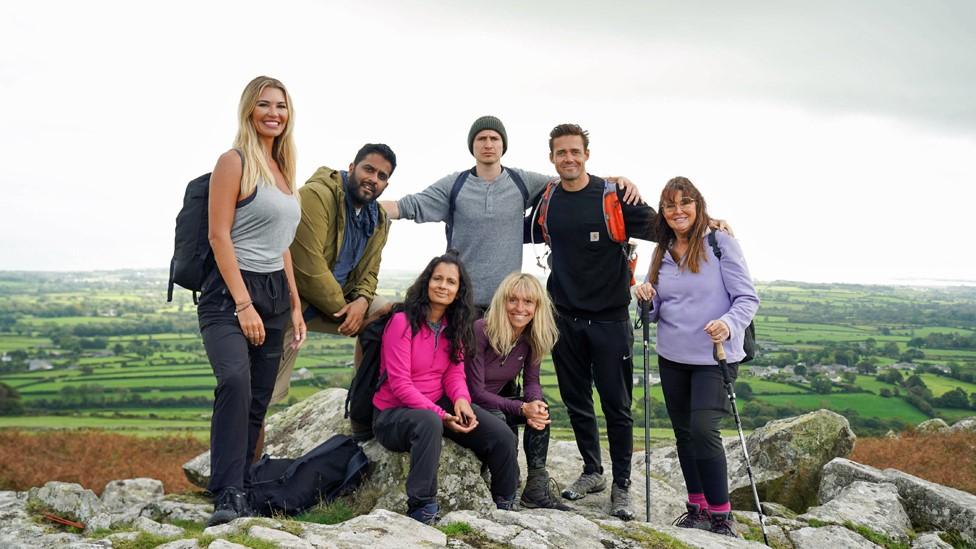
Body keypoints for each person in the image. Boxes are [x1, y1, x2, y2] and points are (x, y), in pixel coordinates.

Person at [525, 123, 657, 521]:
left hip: (610, 319)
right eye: (561, 152)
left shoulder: (612, 195)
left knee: (617, 407)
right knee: (577, 401)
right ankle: (592, 472)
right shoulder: (547, 200)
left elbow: (665, 227)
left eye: (575, 152)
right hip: (563, 317)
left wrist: (711, 224)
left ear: (586, 155)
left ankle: (621, 486)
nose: (568, 158)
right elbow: (516, 231)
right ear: (552, 158)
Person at [380, 115, 642, 311]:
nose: (488, 144)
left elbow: (571, 180)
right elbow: (409, 206)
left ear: (503, 145)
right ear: (472, 145)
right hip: (461, 300)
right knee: (461, 377)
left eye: (494, 138)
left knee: (499, 380)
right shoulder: (455, 185)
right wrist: (363, 204)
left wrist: (613, 182)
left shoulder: (522, 182)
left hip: (506, 304)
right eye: (481, 138)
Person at [197, 76, 305, 526]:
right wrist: (243, 305)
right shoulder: (234, 161)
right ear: (248, 110)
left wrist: (296, 306)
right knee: (235, 384)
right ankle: (225, 493)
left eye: (281, 106)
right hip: (229, 294)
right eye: (264, 105)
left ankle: (240, 486)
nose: (273, 113)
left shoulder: (284, 171)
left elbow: (282, 246)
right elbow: (218, 235)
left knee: (259, 398)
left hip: (276, 294)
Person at [634, 176, 759, 537]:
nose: (678, 210)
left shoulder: (721, 243)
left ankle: (721, 516)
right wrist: (647, 297)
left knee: (704, 430)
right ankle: (697, 508)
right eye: (670, 205)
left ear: (698, 205)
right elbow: (656, 311)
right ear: (663, 212)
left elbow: (747, 298)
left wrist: (728, 324)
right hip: (672, 357)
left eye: (685, 202)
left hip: (714, 356)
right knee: (684, 434)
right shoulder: (662, 250)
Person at [372, 251, 518, 525]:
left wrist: (461, 401)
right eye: (437, 278)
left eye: (451, 282)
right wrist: (441, 415)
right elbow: (401, 384)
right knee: (428, 422)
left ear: (458, 290)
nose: (443, 285)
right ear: (426, 283)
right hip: (393, 414)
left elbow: (454, 372)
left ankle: (505, 505)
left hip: (439, 404)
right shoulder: (402, 323)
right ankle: (422, 508)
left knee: (502, 435)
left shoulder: (455, 326)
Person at [271, 143, 397, 411]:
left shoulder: (379, 219)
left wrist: (363, 301)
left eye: (382, 176)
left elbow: (371, 271)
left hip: (343, 297)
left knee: (388, 316)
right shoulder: (316, 196)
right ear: (352, 168)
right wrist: (348, 313)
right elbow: (309, 270)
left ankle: (364, 401)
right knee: (266, 391)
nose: (373, 179)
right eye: (369, 169)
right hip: (294, 300)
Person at [465, 272, 570, 511]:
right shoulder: (481, 330)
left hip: (496, 402)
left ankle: (535, 486)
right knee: (500, 419)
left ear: (537, 306)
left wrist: (534, 405)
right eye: (513, 300)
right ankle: (503, 489)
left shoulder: (531, 336)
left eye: (528, 302)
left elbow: (532, 381)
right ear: (503, 302)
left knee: (542, 410)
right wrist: (522, 407)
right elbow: (475, 391)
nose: (519, 308)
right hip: (469, 403)